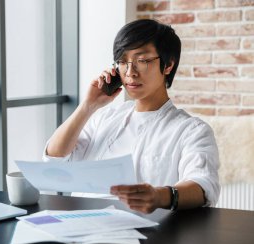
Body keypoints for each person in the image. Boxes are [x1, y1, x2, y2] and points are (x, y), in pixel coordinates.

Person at [42, 19, 220, 214]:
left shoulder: (191, 130)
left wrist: (159, 196)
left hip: (147, 234)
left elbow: (203, 186)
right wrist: (88, 106)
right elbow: (54, 158)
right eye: (122, 62)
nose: (129, 72)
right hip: (83, 225)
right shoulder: (104, 117)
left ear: (168, 65)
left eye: (141, 61)